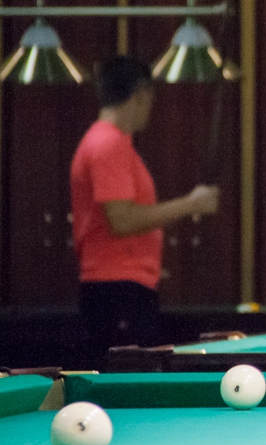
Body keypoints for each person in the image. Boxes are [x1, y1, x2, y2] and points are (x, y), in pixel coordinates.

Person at [70, 56, 219, 363]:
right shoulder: (108, 144)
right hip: (118, 293)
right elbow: (122, 220)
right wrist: (191, 204)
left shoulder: (108, 142)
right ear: (140, 95)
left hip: (119, 288)